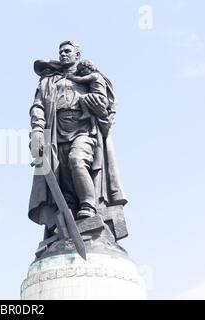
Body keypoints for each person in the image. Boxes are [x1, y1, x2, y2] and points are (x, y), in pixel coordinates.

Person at [28, 41, 127, 232]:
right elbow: (38, 107)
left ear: (77, 55)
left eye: (67, 51)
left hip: (84, 130)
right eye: (60, 52)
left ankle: (89, 205)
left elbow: (106, 110)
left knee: (77, 159)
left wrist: (100, 110)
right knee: (61, 178)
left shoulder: (89, 78)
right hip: (56, 134)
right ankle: (69, 218)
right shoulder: (48, 81)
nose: (63, 54)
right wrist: (38, 131)